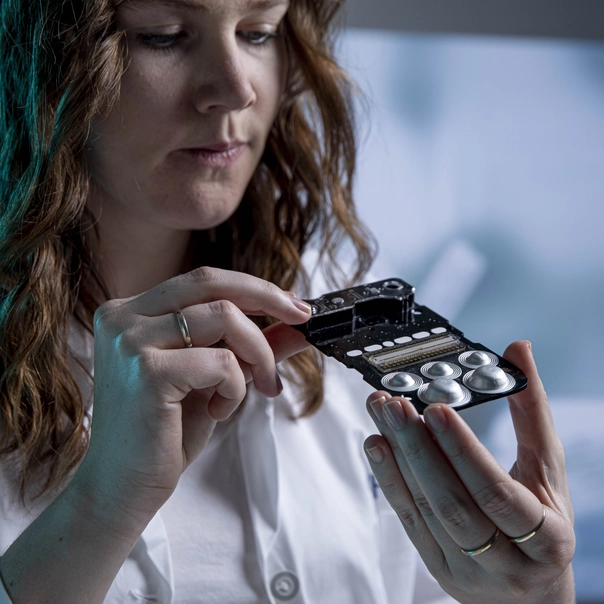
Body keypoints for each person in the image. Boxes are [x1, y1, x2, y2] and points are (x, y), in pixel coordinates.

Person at [0, 0, 575, 602]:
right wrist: (103, 504)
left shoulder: (337, 311)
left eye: (259, 32)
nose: (235, 88)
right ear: (43, 61)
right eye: (164, 37)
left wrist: (534, 593)